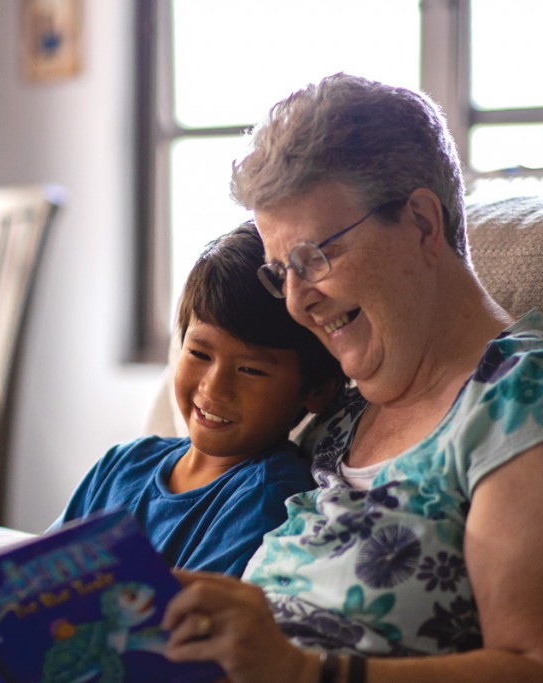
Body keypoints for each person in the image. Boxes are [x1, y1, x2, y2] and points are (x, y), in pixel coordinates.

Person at [161, 73, 543, 683]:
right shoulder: (342, 408)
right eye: (281, 271)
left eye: (315, 258)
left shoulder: (532, 406)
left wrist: (300, 671)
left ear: (423, 223)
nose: (296, 302)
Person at [53, 223, 346, 576]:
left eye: (250, 370)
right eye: (199, 354)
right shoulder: (121, 465)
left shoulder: (267, 497)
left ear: (318, 389)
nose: (213, 388)